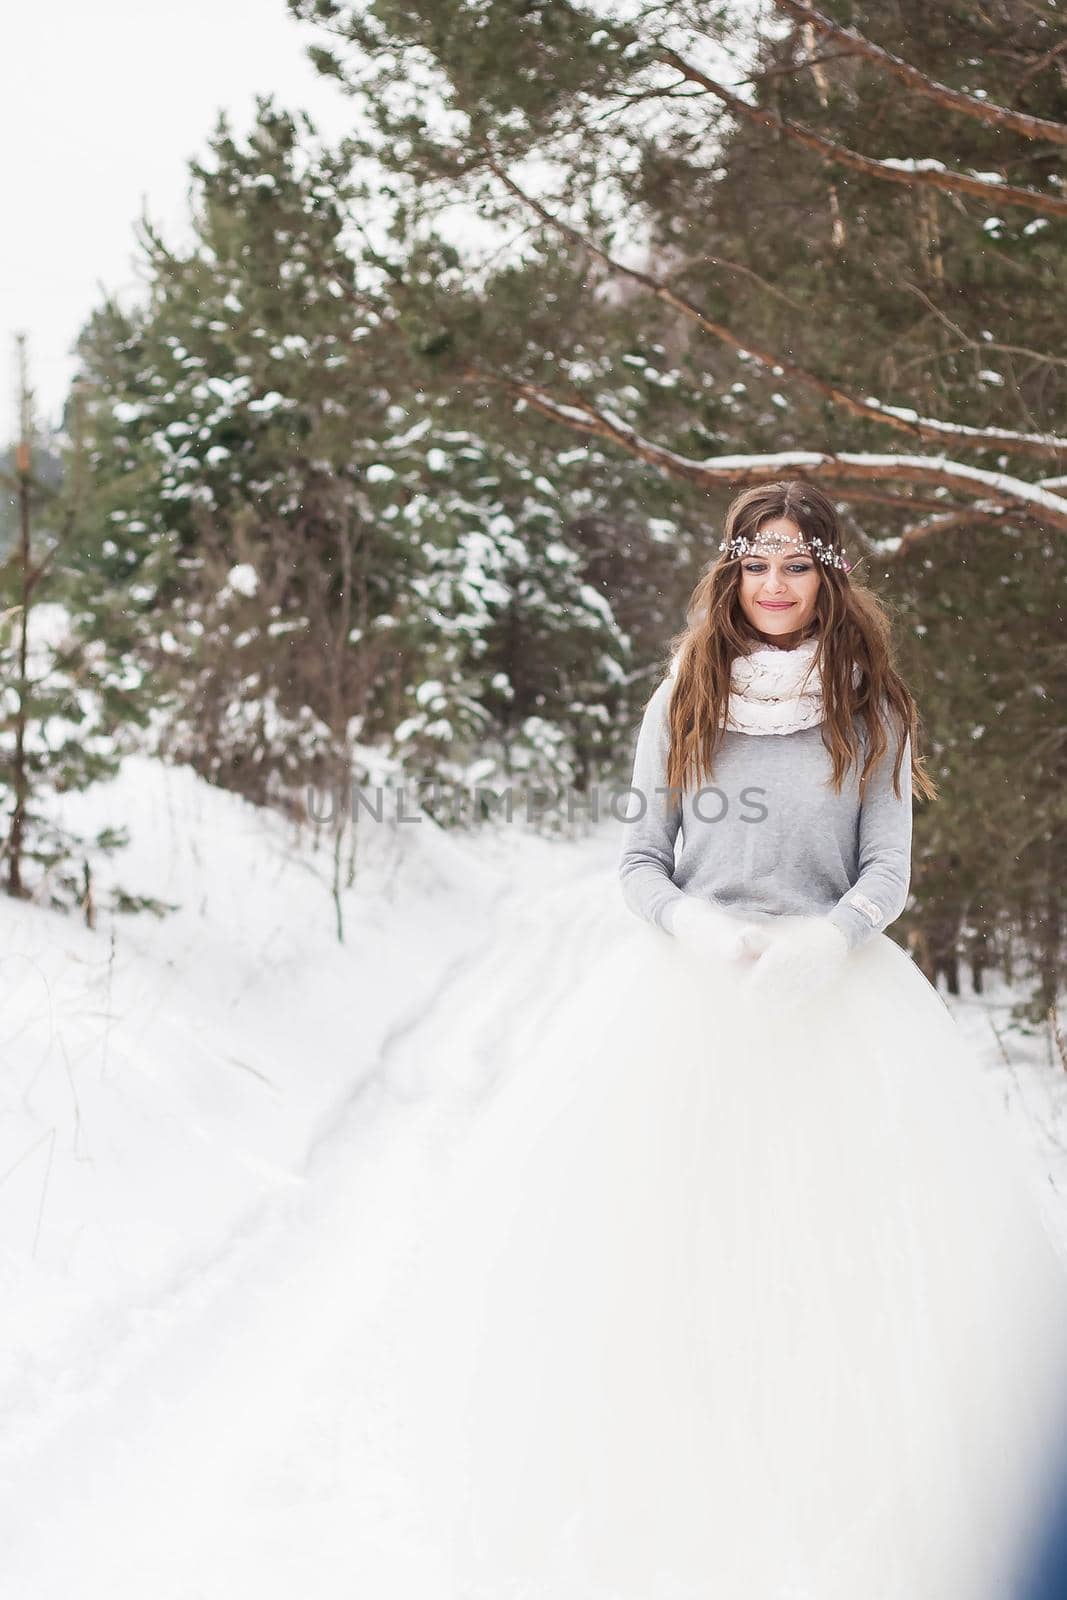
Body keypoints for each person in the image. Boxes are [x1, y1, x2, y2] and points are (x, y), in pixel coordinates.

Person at [387, 481, 1067, 1600]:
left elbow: (886, 870)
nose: (773, 584)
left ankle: (823, 1505)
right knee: (673, 1250)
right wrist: (691, 925)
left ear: (829, 576)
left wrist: (829, 939)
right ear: (729, 573)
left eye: (795, 563)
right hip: (683, 1001)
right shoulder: (682, 697)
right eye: (755, 563)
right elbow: (636, 863)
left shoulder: (873, 707)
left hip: (832, 1005)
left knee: (829, 1257)